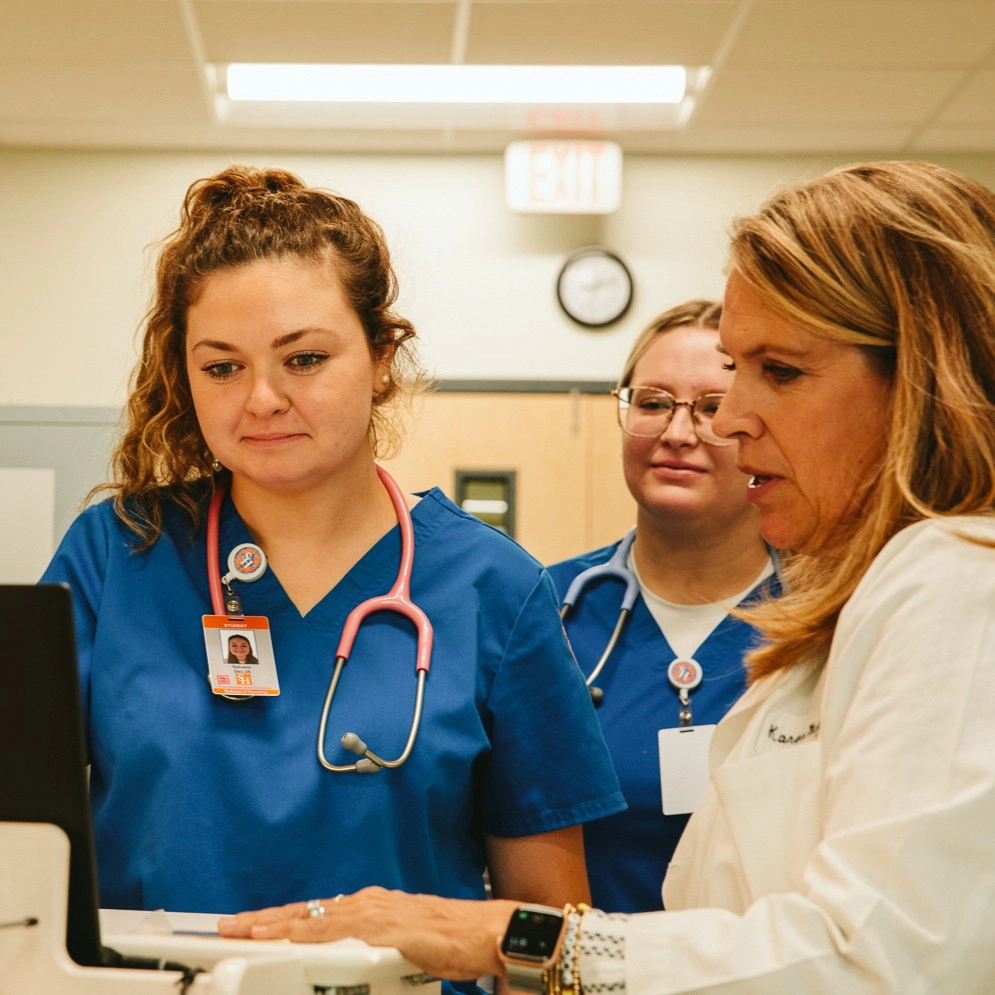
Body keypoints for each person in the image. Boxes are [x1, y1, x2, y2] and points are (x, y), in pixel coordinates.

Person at [219, 159, 995, 993]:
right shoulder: (855, 606)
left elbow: (883, 957)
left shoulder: (956, 584)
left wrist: (513, 936)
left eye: (780, 370)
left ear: (919, 377)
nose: (728, 420)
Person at [41, 165, 626, 963]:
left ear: (382, 356)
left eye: (305, 358)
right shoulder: (115, 556)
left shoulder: (493, 589)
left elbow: (549, 932)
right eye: (221, 366)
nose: (262, 399)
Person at [547, 301, 777, 913]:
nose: (677, 433)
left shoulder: (828, 612)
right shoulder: (544, 608)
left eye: (712, 408)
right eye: (652, 403)